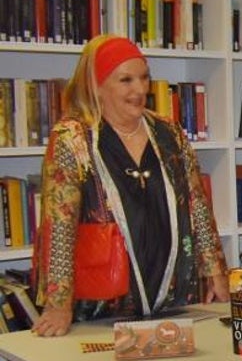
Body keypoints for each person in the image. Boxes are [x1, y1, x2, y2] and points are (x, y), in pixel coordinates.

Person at [33, 35, 228, 337]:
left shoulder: (169, 132)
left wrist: (214, 270)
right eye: (126, 80)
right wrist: (58, 303)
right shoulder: (72, 139)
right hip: (102, 310)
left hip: (172, 300)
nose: (140, 90)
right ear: (97, 86)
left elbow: (197, 204)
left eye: (144, 77)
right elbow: (59, 224)